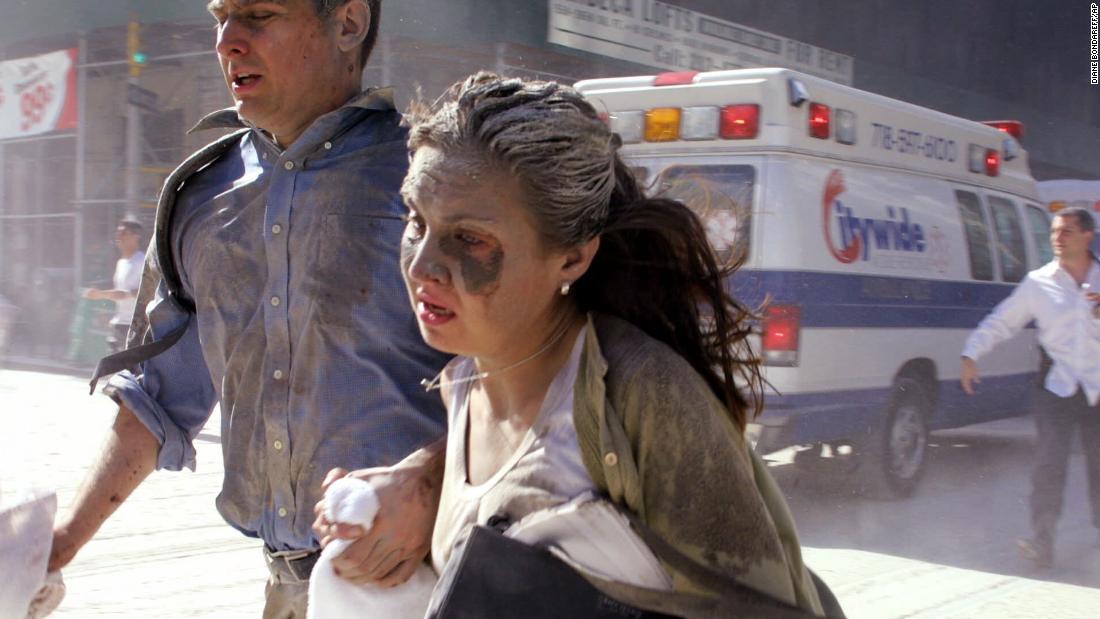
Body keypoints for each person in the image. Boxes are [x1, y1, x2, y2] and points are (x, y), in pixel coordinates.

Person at [48, 1, 450, 616]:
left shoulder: (435, 177)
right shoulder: (199, 197)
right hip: (286, 591)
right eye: (220, 17)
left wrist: (427, 479)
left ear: (347, 23)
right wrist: (58, 544)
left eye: (258, 14)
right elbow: (154, 397)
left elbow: (541, 373)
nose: (227, 42)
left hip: (428, 584)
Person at [387, 72, 826, 615]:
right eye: (414, 220)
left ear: (572, 257)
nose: (422, 264)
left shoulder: (643, 393)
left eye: (470, 239)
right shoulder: (460, 385)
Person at [961, 206, 1100, 569]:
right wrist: (972, 352)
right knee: (1048, 467)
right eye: (1055, 231)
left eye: (1067, 231)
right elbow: (1003, 320)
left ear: (1088, 235)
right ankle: (1042, 543)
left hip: (1098, 388)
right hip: (1055, 387)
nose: (1057, 237)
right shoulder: (1039, 282)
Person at [83, 219, 145, 355]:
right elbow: (119, 295)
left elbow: (143, 291)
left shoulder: (142, 261)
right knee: (117, 371)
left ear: (135, 236)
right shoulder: (121, 263)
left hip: (135, 327)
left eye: (123, 232)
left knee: (131, 371)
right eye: (117, 232)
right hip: (119, 326)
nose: (118, 237)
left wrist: (101, 294)